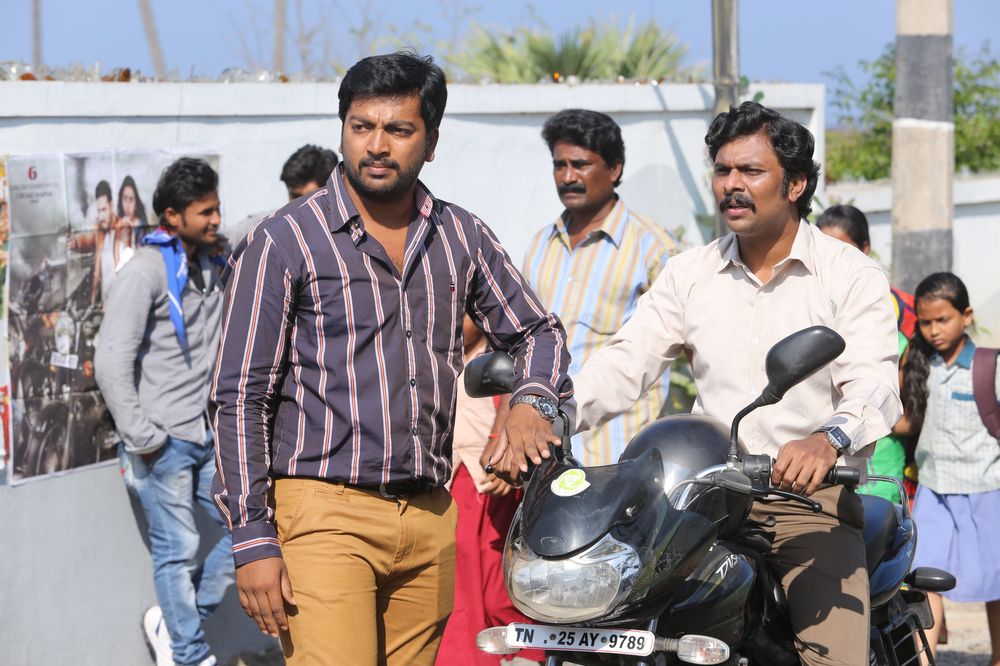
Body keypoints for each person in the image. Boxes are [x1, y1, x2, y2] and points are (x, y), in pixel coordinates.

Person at [211, 52, 571, 666]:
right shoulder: (283, 241)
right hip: (324, 512)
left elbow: (537, 329)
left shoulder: (460, 236)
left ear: (431, 142)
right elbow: (239, 396)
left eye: (398, 130)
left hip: (429, 515)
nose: (376, 146)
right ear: (344, 129)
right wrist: (251, 537)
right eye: (361, 127)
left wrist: (532, 402)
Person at [562, 101, 901, 666]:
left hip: (805, 502)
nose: (732, 186)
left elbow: (875, 382)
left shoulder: (849, 275)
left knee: (834, 660)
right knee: (613, 630)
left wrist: (830, 439)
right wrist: (554, 412)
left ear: (795, 184)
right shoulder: (689, 273)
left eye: (751, 171)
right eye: (722, 171)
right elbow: (626, 360)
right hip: (698, 501)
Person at [94, 157, 231, 666]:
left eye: (217, 209)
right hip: (163, 440)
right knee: (178, 551)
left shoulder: (213, 260)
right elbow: (110, 361)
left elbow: (260, 226)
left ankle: (175, 624)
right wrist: (145, 437)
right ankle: (190, 654)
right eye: (205, 212)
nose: (216, 220)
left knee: (250, 530)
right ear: (173, 216)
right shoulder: (146, 271)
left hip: (207, 433)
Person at [521, 109, 677, 467]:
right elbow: (524, 343)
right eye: (559, 165)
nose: (568, 177)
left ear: (615, 169)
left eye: (580, 165)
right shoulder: (541, 245)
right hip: (547, 454)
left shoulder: (652, 247)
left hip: (619, 459)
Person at [895, 272, 1000, 662]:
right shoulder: (921, 363)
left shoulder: (989, 367)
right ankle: (926, 661)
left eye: (943, 319)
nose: (934, 330)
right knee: (925, 577)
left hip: (986, 489)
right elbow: (908, 422)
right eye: (926, 322)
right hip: (933, 489)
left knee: (995, 582)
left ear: (966, 316)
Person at [435, 316, 543, 666]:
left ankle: (527, 649)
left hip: (489, 480)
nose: (455, 320)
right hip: (452, 477)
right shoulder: (439, 352)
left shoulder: (498, 354)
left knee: (499, 581)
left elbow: (515, 397)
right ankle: (466, 656)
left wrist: (500, 443)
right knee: (462, 576)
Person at [816, 204, 907, 504]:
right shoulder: (809, 310)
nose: (832, 261)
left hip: (878, 463)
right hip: (820, 466)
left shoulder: (889, 315)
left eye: (841, 249)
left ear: (864, 249)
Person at [228, 144, 340, 245]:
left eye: (308, 199)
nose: (299, 207)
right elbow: (228, 239)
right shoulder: (268, 227)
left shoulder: (345, 235)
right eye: (295, 197)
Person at [67, 180, 121, 305]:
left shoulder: (122, 228)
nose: (101, 216)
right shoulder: (99, 230)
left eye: (104, 210)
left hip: (121, 297)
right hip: (104, 301)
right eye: (99, 211)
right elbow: (88, 239)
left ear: (111, 205)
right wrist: (76, 242)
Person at [116, 174, 151, 249]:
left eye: (131, 199)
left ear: (136, 203)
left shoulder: (141, 227)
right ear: (120, 200)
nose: (128, 205)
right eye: (125, 199)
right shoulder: (117, 224)